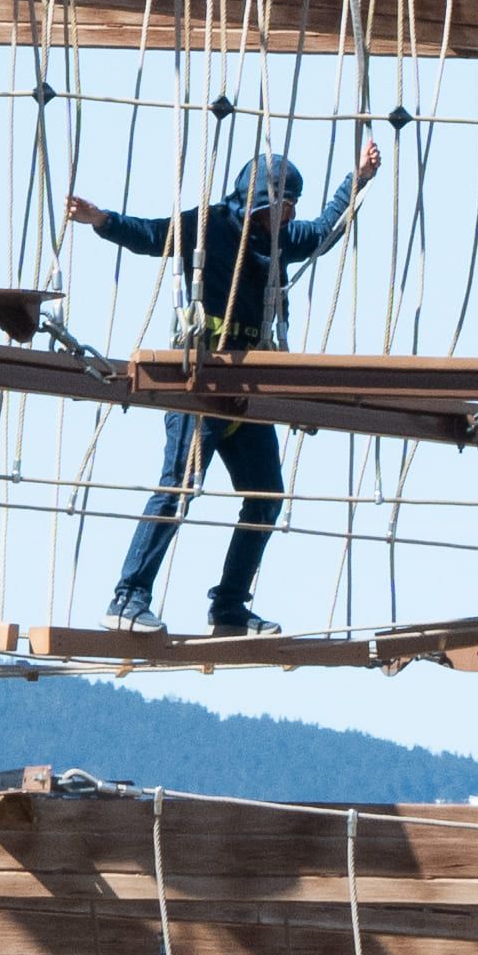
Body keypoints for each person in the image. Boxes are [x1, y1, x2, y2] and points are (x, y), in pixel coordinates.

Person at [78, 124, 387, 634]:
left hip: (249, 384)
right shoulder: (211, 226)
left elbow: (324, 231)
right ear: (256, 201)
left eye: (290, 207)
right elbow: (154, 236)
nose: (287, 217)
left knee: (265, 494)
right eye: (280, 207)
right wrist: (103, 221)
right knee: (180, 484)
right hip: (202, 375)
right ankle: (128, 597)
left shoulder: (281, 239)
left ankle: (229, 607)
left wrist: (358, 180)